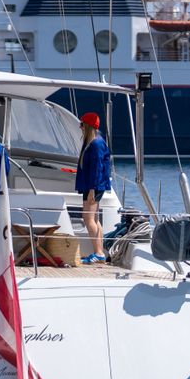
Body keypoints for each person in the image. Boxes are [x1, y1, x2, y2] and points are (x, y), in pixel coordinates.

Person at [75, 111, 111, 264]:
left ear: (88, 126)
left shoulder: (95, 144)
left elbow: (97, 168)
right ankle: (99, 252)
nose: (80, 127)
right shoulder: (93, 142)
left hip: (93, 186)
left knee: (88, 218)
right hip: (93, 186)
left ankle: (98, 253)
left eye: (82, 124)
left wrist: (91, 189)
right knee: (94, 218)